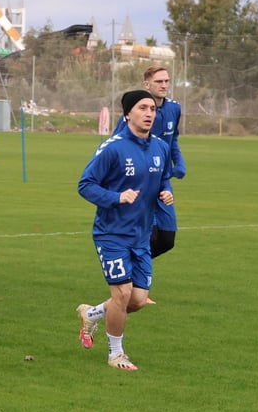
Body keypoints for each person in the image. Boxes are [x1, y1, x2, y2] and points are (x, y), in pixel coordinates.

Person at [77, 90, 173, 371]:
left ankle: (91, 313)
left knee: (137, 300)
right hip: (111, 234)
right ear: (128, 113)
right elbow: (85, 184)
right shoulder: (113, 148)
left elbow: (164, 178)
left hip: (141, 234)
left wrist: (165, 192)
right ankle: (116, 354)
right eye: (143, 108)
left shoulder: (160, 147)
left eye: (153, 109)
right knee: (121, 295)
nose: (149, 113)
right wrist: (116, 198)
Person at [113, 66, 185, 261]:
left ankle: (126, 267)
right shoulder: (134, 113)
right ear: (147, 84)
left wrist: (178, 162)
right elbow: (117, 144)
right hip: (139, 183)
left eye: (167, 81)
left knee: (167, 239)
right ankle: (132, 286)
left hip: (162, 182)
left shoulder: (174, 108)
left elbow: (174, 139)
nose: (164, 85)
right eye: (159, 81)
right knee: (148, 236)